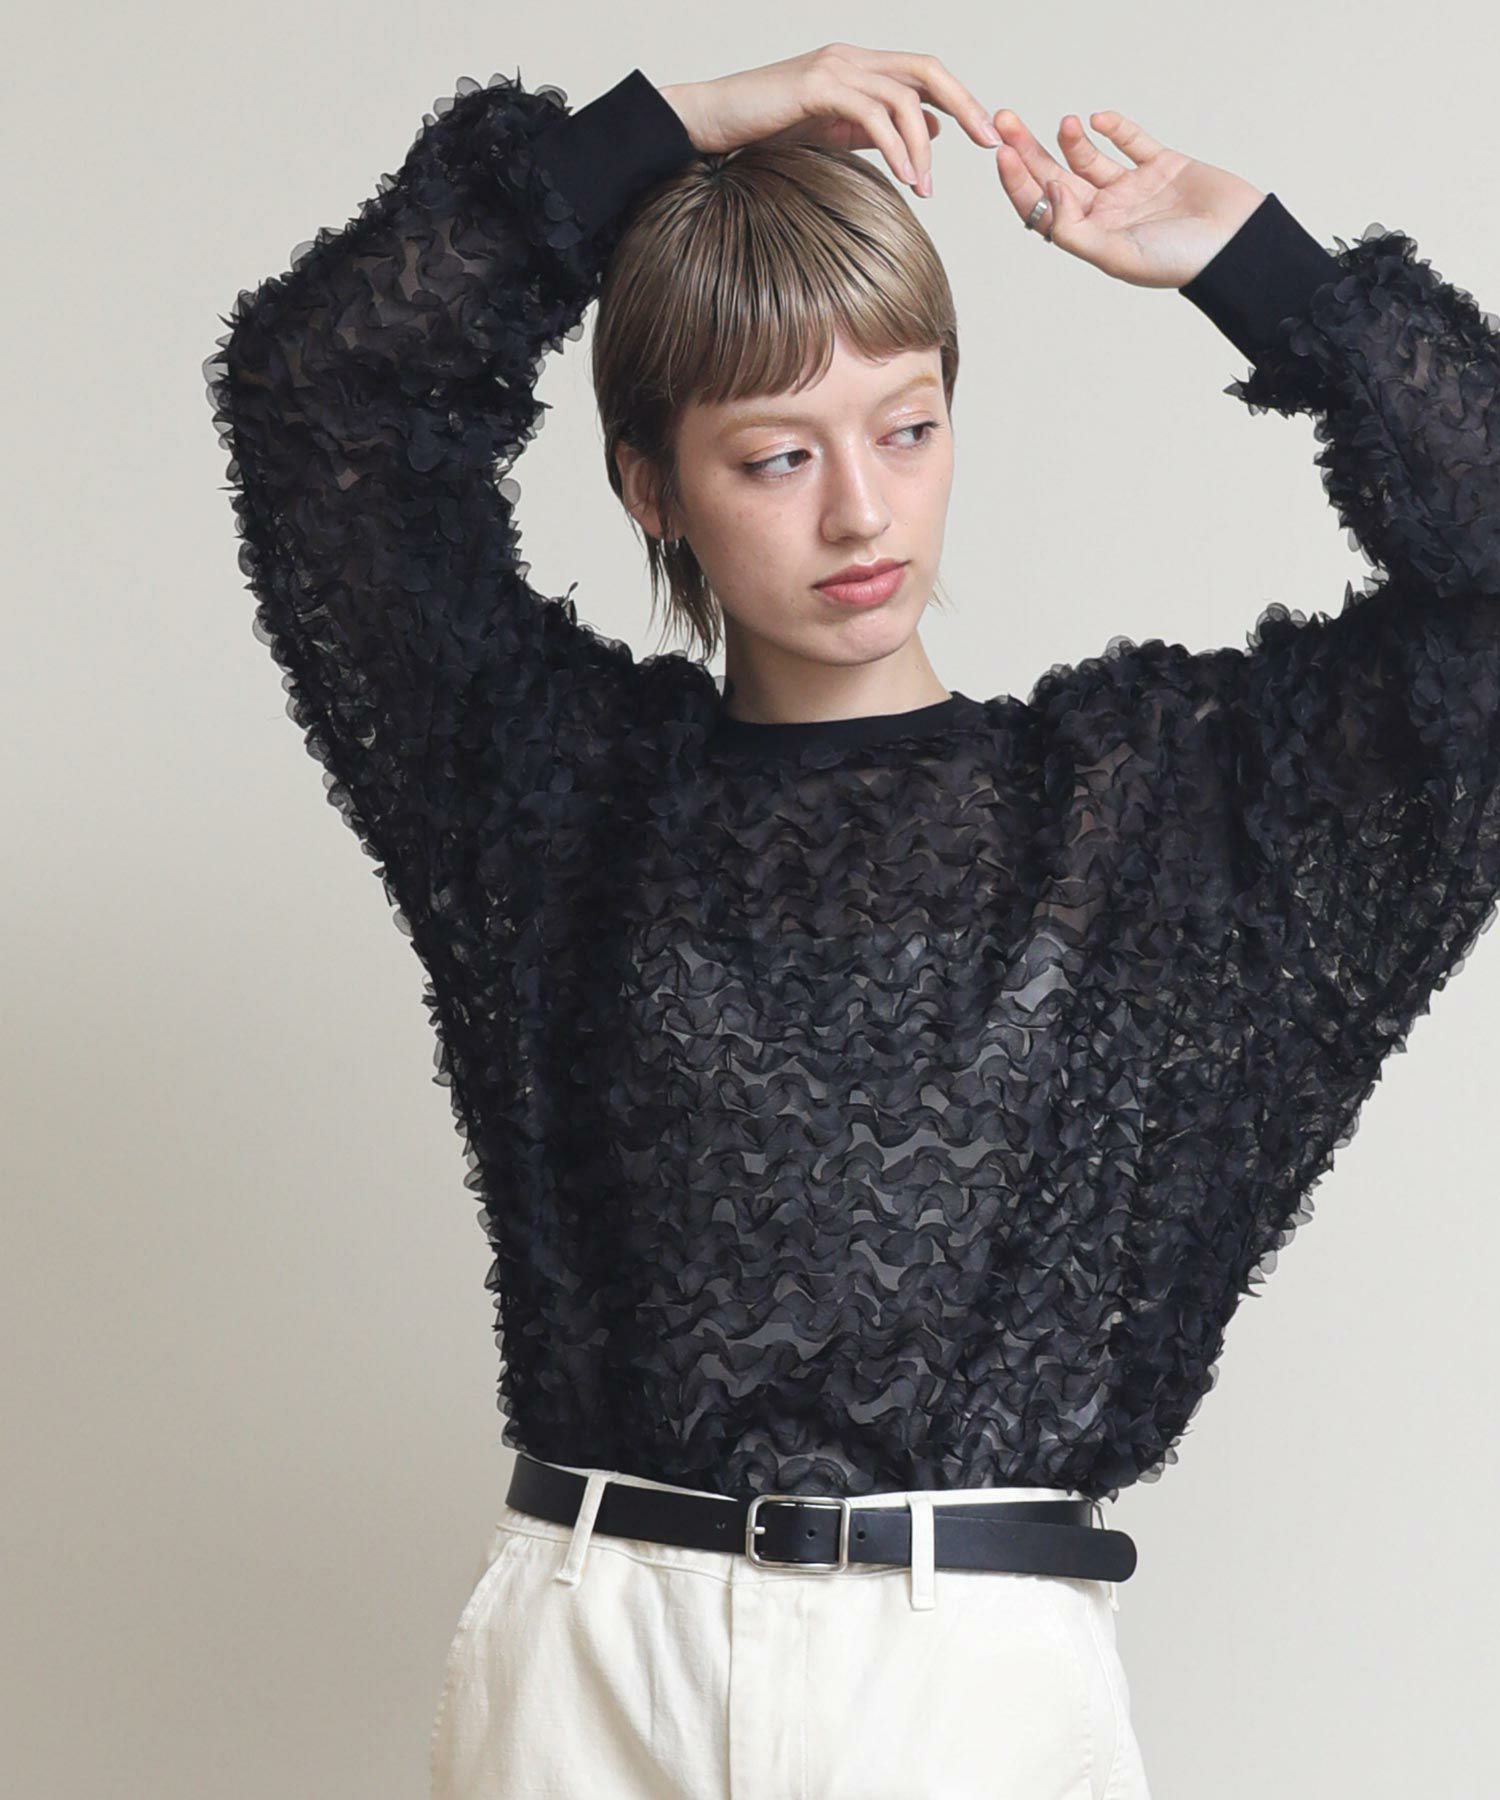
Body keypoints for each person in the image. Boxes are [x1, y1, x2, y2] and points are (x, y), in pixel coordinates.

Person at [204, 41, 1500, 1800]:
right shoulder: (551, 794)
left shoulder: (1149, 814)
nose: (862, 510)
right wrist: (674, 130)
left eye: (907, 426)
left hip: (968, 1681)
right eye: (773, 455)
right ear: (652, 487)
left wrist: (1265, 268)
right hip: (602, 1663)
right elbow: (320, 404)